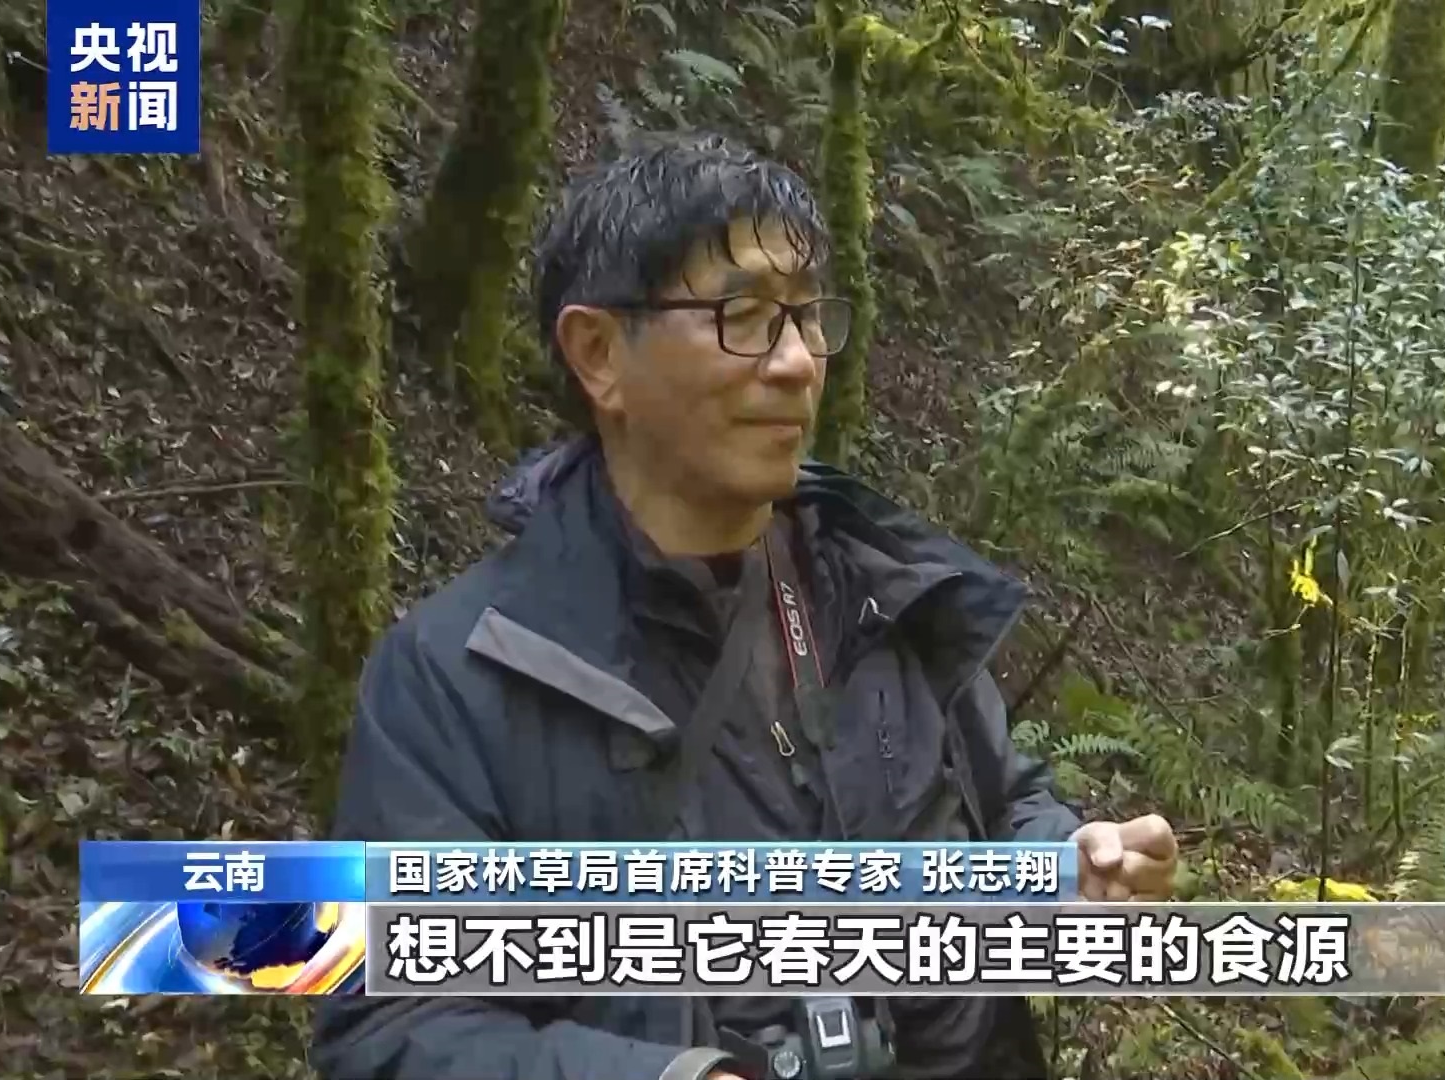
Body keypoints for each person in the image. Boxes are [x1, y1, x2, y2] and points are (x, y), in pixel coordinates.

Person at [308, 130, 1179, 1080]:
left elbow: (1004, 806)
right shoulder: (459, 677)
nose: (799, 362)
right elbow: (392, 1031)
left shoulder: (883, 597)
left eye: (807, 317)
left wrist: (1066, 860)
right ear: (598, 353)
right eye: (747, 316)